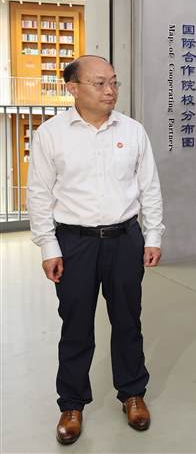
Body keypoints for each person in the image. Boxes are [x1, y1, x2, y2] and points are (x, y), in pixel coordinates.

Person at [27, 56, 164, 445]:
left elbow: (149, 186)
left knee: (128, 321)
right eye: (100, 83)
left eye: (114, 83)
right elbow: (39, 194)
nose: (110, 91)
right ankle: (72, 404)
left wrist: (153, 236)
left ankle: (132, 393)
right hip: (75, 243)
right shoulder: (51, 134)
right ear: (73, 88)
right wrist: (48, 246)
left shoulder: (133, 131)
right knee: (75, 326)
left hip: (125, 239)